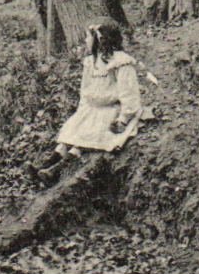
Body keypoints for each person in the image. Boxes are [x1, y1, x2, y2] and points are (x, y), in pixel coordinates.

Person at [36, 19, 145, 183]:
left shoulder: (121, 61)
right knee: (71, 131)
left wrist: (123, 118)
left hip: (110, 109)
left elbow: (129, 94)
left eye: (88, 37)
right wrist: (81, 113)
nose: (86, 41)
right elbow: (85, 92)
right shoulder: (91, 62)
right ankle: (45, 166)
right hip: (91, 109)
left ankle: (57, 170)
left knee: (87, 136)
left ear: (100, 39)